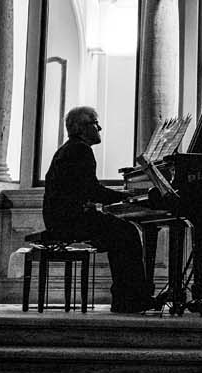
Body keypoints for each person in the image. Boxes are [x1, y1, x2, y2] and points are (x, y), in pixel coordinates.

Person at [42, 106, 155, 314]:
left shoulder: (70, 148)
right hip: (70, 220)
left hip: (62, 218)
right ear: (82, 127)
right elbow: (92, 190)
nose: (99, 128)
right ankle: (131, 299)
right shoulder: (80, 150)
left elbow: (84, 189)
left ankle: (126, 297)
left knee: (120, 233)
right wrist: (125, 196)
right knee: (127, 232)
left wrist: (116, 197)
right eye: (95, 123)